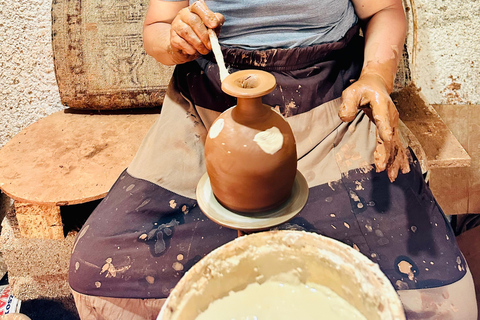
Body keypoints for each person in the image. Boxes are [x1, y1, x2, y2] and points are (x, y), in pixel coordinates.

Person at [69, 0, 477, 319]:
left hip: (331, 102)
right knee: (96, 275)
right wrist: (174, 39)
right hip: (210, 105)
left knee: (443, 299)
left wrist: (375, 77)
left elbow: (386, 10)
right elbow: (156, 29)